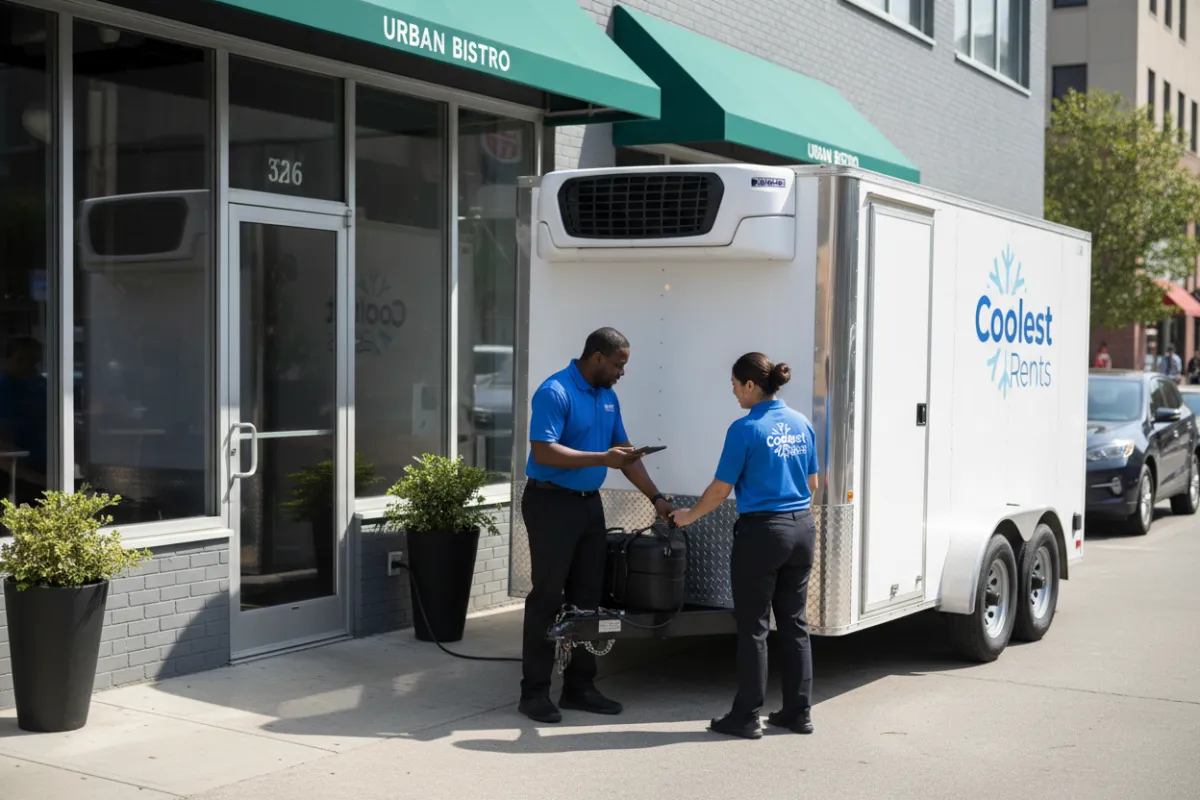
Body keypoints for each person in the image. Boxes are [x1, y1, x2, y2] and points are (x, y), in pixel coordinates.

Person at [518, 327, 674, 724]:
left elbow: (624, 455)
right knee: (548, 597)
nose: (623, 372)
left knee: (588, 597)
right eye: (619, 364)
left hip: (589, 506)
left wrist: (655, 497)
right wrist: (601, 459)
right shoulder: (555, 391)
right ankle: (534, 692)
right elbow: (543, 450)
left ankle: (579, 686)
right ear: (598, 356)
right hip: (550, 503)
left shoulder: (608, 397)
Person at [671, 353, 820, 740]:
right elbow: (814, 484)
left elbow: (720, 490)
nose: (734, 393)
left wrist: (688, 516)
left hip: (763, 533)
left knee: (753, 627)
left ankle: (746, 716)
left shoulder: (745, 429)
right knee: (794, 624)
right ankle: (798, 712)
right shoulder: (802, 423)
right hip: (802, 529)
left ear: (751, 385)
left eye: (736, 385)